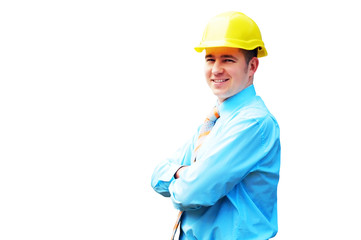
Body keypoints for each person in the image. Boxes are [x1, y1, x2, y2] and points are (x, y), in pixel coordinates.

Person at [151, 11, 281, 240]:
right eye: (210, 59)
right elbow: (156, 176)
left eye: (228, 60)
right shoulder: (216, 121)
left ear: (252, 66)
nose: (216, 69)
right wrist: (185, 173)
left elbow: (190, 193)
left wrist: (184, 176)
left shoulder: (252, 123)